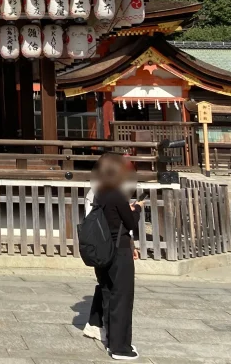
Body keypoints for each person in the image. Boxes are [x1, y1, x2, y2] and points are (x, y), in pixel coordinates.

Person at [86, 153, 144, 361]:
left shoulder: (99, 193)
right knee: (122, 297)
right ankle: (120, 347)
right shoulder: (118, 195)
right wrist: (137, 209)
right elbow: (130, 222)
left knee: (109, 295)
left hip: (102, 249)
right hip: (118, 251)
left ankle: (111, 341)